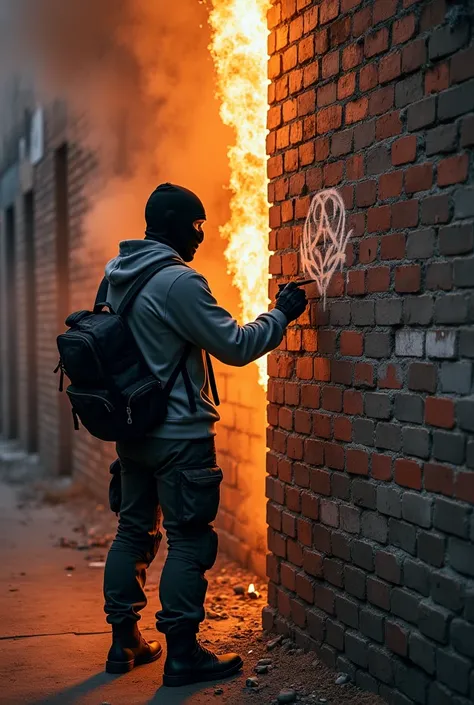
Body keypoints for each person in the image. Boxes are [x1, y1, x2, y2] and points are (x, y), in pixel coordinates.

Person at [102, 183, 308, 687]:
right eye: (195, 225)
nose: (201, 235)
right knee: (189, 539)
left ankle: (124, 640)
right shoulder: (178, 282)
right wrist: (280, 314)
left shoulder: (118, 274)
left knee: (133, 532)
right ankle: (182, 654)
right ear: (171, 223)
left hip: (135, 431)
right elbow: (235, 345)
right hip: (179, 436)